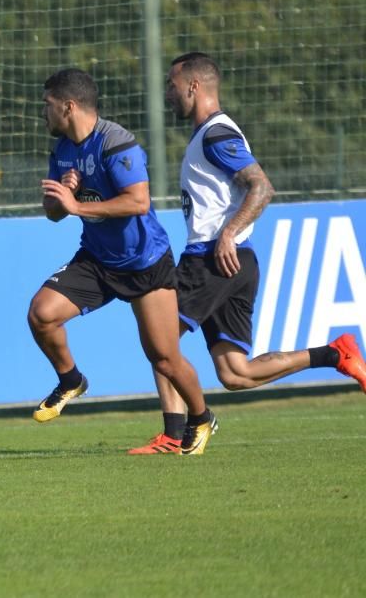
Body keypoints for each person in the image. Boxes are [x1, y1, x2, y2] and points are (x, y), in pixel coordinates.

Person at [128, 52, 366, 454]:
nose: (168, 94)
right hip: (237, 262)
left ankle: (175, 434)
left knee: (161, 342)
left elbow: (262, 186)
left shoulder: (217, 135)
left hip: (212, 259)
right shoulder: (209, 134)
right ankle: (334, 353)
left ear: (193, 86)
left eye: (171, 85)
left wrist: (228, 234)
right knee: (236, 372)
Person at [28, 68, 218, 454]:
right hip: (97, 260)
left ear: (68, 106)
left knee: (164, 358)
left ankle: (201, 419)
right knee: (41, 314)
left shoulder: (116, 142)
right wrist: (62, 197)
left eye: (47, 106)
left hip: (145, 262)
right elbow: (54, 212)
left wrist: (75, 204)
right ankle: (71, 381)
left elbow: (138, 202)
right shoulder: (62, 149)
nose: (42, 114)